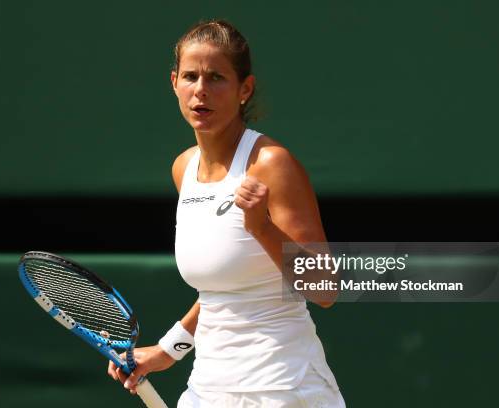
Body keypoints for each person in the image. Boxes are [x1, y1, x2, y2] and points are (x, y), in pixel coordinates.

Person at [108, 19, 346, 407]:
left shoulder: (272, 164)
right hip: (208, 389)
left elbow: (325, 290)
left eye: (216, 77)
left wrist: (262, 227)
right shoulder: (183, 168)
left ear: (244, 89)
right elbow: (222, 290)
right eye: (190, 76)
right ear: (174, 84)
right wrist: (167, 351)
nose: (201, 90)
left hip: (283, 388)